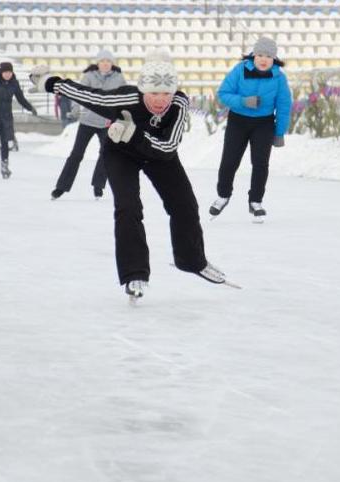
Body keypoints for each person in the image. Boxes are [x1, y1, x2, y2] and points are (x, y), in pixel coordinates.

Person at [29, 49, 229, 300]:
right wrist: (49, 82)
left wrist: (134, 133)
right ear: (143, 90)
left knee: (185, 205)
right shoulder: (125, 98)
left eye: (166, 93)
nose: (160, 100)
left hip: (160, 155)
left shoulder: (178, 103)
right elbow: (88, 95)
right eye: (153, 93)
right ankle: (134, 273)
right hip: (120, 153)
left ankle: (192, 261)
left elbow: (168, 147)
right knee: (128, 207)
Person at [209, 36, 292, 221]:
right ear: (253, 55)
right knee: (229, 160)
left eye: (269, 56)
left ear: (274, 58)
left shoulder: (279, 77)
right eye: (260, 54)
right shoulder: (240, 70)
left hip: (264, 124)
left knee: (260, 164)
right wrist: (243, 102)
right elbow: (223, 93)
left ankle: (255, 201)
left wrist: (279, 132)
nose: (264, 59)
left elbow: (284, 105)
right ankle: (223, 195)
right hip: (238, 121)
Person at [51, 50, 126, 200]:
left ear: (112, 63)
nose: (105, 63)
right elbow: (78, 94)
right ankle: (61, 187)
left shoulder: (119, 79)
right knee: (76, 154)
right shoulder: (89, 76)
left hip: (107, 122)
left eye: (108, 61)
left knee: (106, 154)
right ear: (97, 63)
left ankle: (98, 186)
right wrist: (75, 110)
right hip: (87, 121)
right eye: (102, 61)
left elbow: (124, 98)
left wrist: (122, 116)